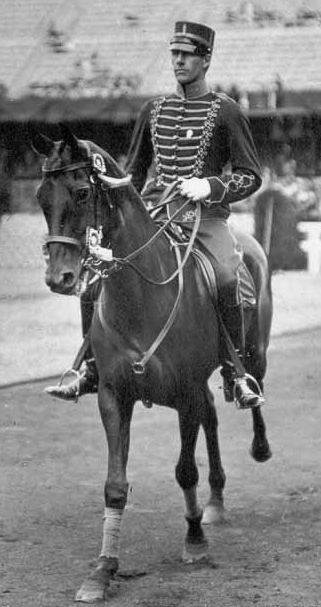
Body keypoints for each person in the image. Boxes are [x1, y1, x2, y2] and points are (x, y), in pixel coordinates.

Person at [47, 20, 264, 408]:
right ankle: (90, 368)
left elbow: (251, 176)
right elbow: (132, 173)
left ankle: (236, 373)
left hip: (205, 219)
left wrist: (210, 186)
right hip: (153, 219)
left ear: (206, 59)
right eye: (174, 54)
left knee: (229, 277)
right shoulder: (153, 110)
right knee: (98, 274)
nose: (178, 61)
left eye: (186, 55)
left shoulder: (226, 111)